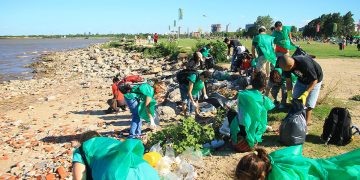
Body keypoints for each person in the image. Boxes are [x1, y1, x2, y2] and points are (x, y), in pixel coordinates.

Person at [235, 145, 360, 180]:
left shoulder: (281, 177)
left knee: (350, 173)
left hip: (321, 174)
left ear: (260, 177)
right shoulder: (270, 160)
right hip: (318, 165)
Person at [72, 131, 160, 179]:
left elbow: (78, 178)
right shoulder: (110, 142)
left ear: (82, 142)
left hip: (120, 175)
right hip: (147, 171)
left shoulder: (82, 149)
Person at [230, 72, 275, 152]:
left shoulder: (242, 94)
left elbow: (234, 105)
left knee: (232, 114)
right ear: (264, 86)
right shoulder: (264, 99)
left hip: (239, 140)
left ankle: (238, 138)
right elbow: (269, 107)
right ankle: (251, 141)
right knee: (259, 122)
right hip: (252, 140)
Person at [278, 55, 323, 125]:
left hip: (315, 81)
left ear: (290, 66)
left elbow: (314, 80)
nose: (284, 71)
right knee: (295, 101)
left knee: (309, 104)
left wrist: (306, 93)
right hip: (301, 80)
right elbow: (288, 81)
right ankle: (294, 121)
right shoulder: (286, 66)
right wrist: (289, 93)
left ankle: (305, 126)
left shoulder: (305, 64)